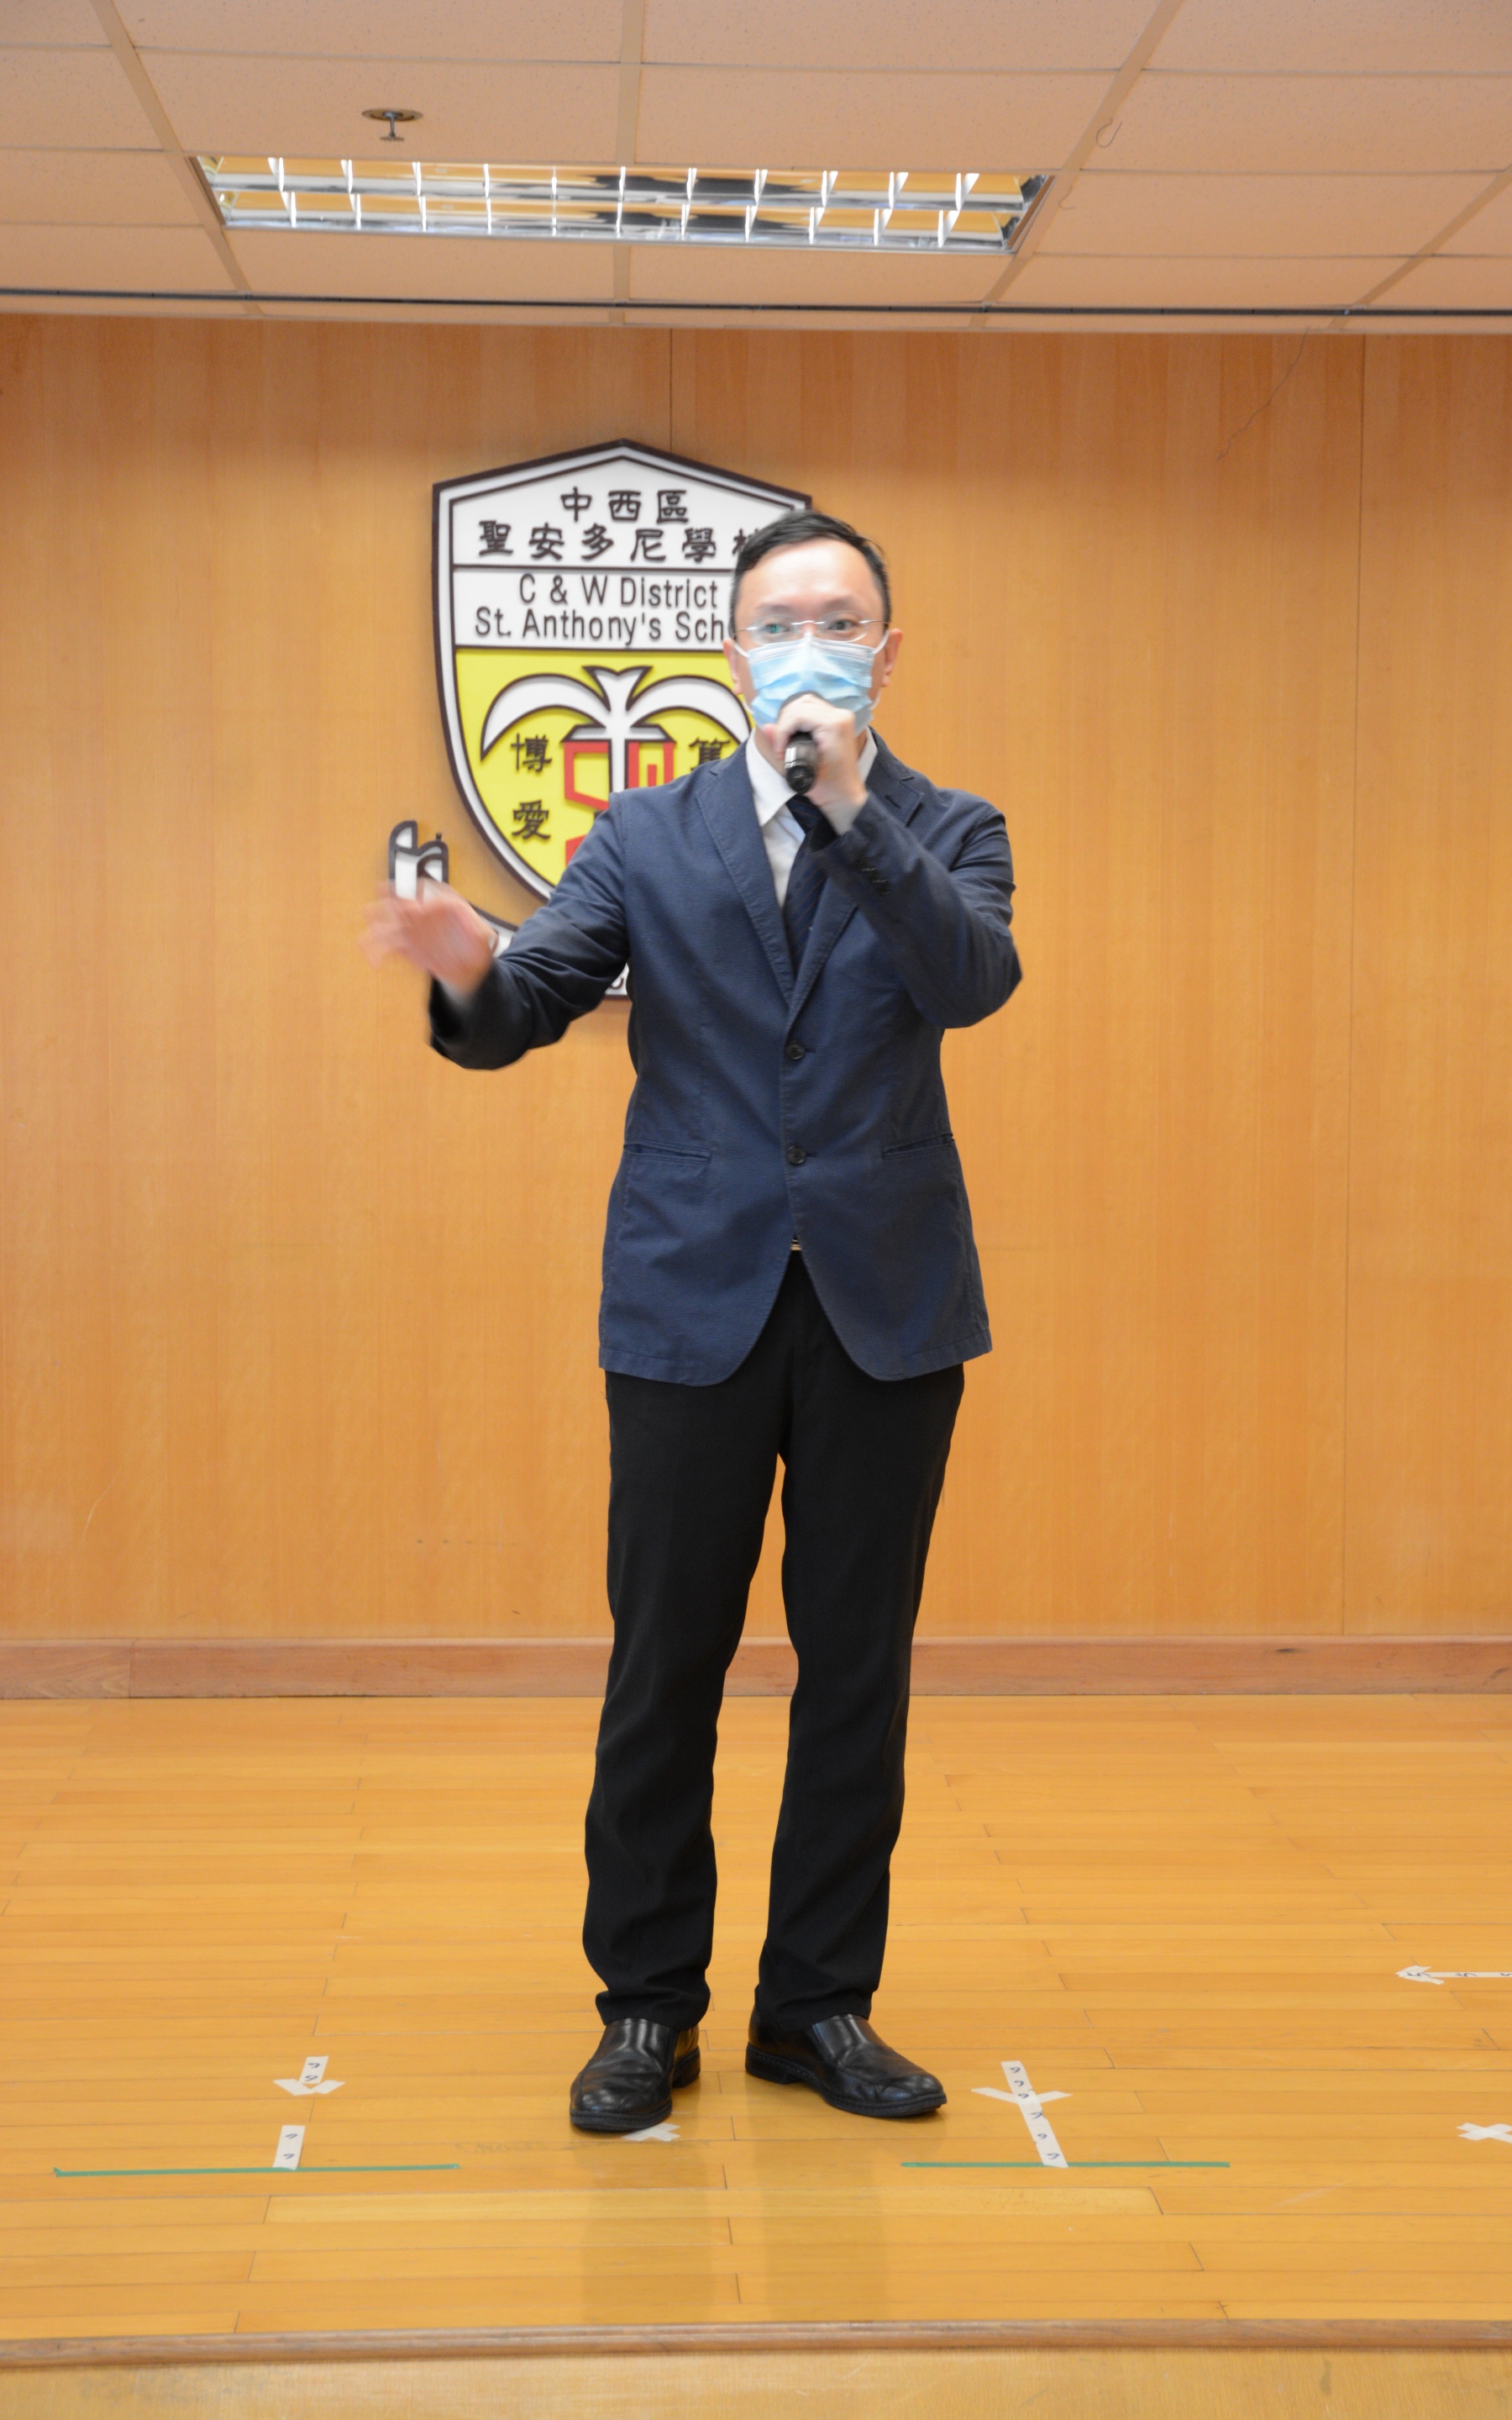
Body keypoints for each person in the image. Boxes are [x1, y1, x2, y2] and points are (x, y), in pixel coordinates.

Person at [364, 510, 1021, 2132]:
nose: (810, 644)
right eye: (780, 621)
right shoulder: (643, 835)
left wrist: (852, 808)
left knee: (857, 1669)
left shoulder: (953, 826)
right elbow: (523, 1009)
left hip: (887, 1306)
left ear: (884, 652)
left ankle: (819, 2007)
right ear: (732, 653)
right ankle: (647, 2003)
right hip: (686, 1301)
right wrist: (463, 964)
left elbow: (971, 981)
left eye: (840, 620)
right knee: (666, 1665)